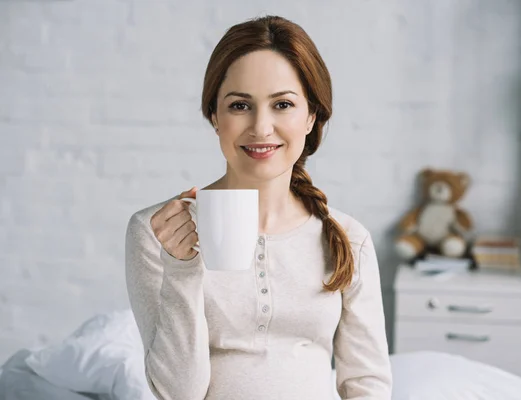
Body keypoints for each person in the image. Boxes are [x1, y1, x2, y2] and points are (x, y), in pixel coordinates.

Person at [125, 15, 393, 400]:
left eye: (282, 104)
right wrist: (181, 268)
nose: (261, 127)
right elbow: (177, 393)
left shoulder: (349, 238)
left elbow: (367, 385)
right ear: (214, 116)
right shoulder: (159, 231)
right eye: (239, 106)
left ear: (311, 116)